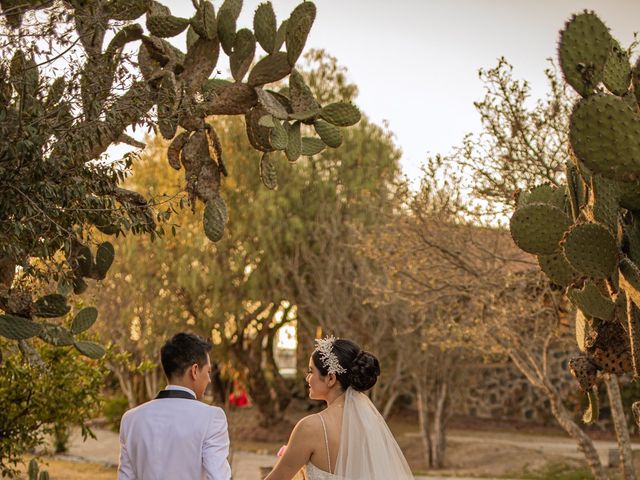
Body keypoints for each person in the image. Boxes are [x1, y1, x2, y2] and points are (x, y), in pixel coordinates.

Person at [265, 336, 414, 480]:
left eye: (311, 371)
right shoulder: (371, 426)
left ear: (331, 378)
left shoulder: (311, 427)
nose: (307, 378)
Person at [117, 332, 232, 480]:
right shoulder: (212, 418)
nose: (209, 379)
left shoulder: (131, 419)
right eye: (208, 371)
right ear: (195, 370)